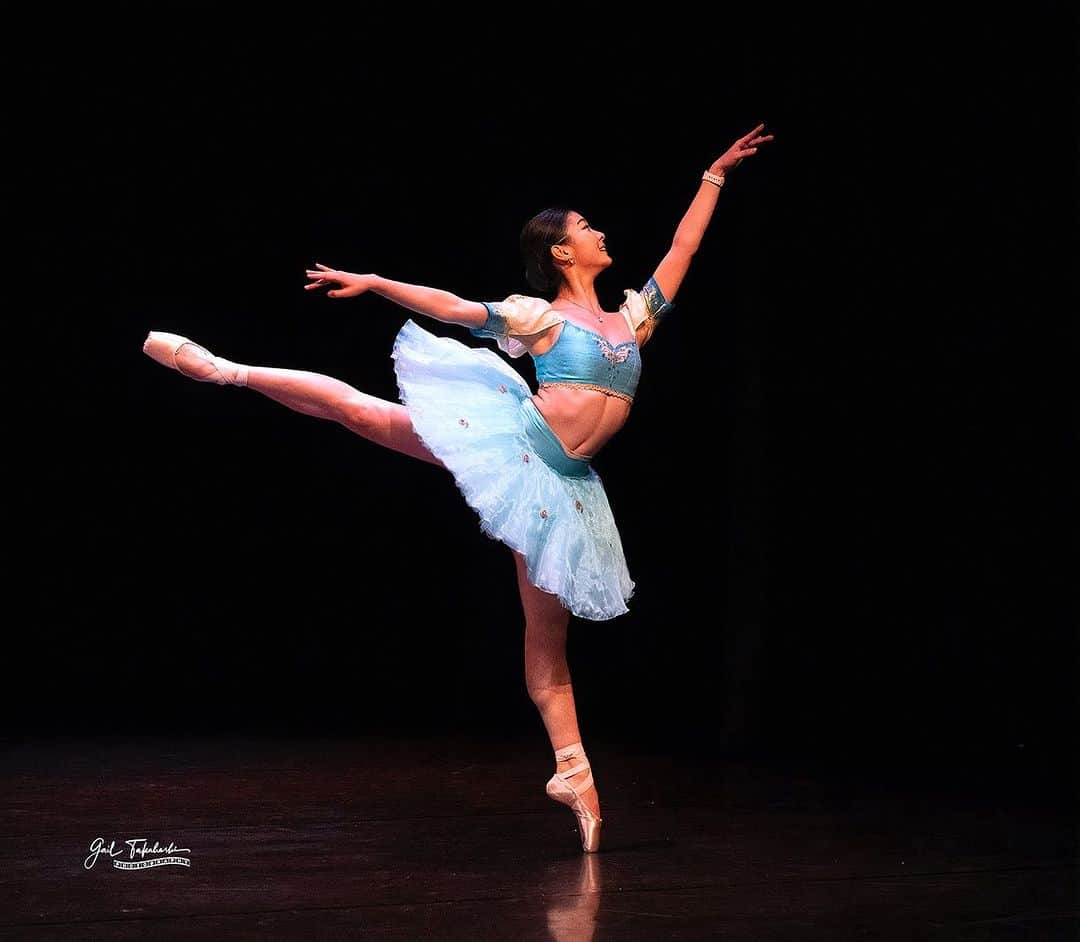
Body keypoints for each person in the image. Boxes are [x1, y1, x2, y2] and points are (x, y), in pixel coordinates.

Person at [142, 123, 774, 852]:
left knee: (547, 641)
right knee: (367, 414)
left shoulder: (631, 320)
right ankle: (228, 370)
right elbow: (453, 308)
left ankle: (573, 772)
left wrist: (714, 175)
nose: (602, 233)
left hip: (566, 490)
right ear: (561, 250)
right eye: (586, 228)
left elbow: (683, 250)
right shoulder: (541, 317)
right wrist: (378, 283)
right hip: (513, 447)